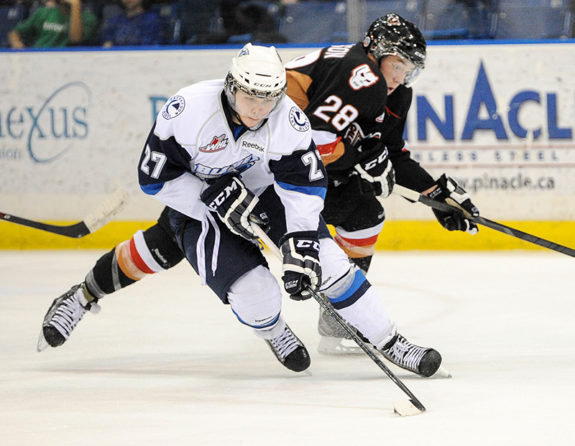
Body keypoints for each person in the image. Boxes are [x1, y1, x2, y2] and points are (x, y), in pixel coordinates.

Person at [39, 43, 442, 378]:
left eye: (269, 99)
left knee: (330, 263)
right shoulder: (188, 111)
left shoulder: (287, 119)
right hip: (196, 201)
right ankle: (273, 329)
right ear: (232, 86)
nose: (258, 109)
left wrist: (301, 241)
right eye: (250, 96)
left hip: (260, 189)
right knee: (247, 288)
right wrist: (208, 197)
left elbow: (301, 186)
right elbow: (154, 179)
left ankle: (391, 340)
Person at [284, 13, 480, 352]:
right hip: (266, 164)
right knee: (175, 237)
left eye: (409, 70)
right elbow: (312, 141)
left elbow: (390, 154)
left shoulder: (393, 92)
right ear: (378, 51)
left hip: (302, 167)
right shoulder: (360, 73)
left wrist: (435, 194)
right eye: (398, 65)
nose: (401, 77)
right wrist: (360, 158)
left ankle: (337, 322)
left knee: (364, 216)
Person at [8, 0, 97, 48]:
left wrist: (75, 5)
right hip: (38, 56)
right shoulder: (43, 13)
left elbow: (75, 38)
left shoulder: (88, 18)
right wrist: (18, 45)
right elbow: (14, 33)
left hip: (64, 62)